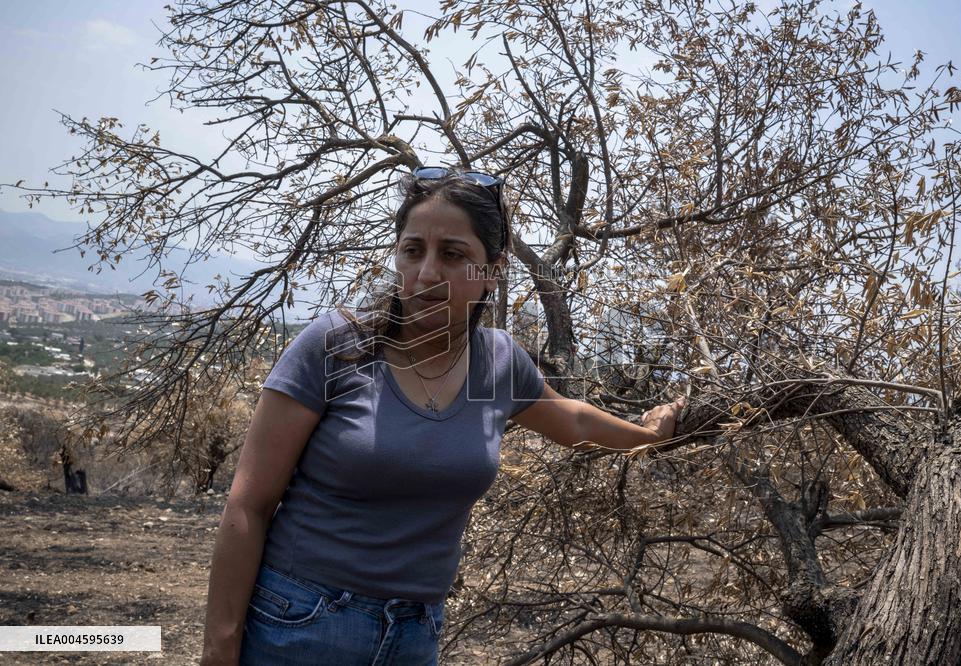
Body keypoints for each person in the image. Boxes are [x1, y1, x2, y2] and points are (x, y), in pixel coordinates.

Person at [199, 166, 685, 665]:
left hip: (415, 634)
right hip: (300, 622)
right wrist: (220, 646)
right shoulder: (335, 347)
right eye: (413, 250)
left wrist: (649, 435)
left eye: (452, 254)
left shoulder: (498, 362)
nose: (427, 272)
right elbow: (248, 506)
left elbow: (575, 422)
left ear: (492, 272)